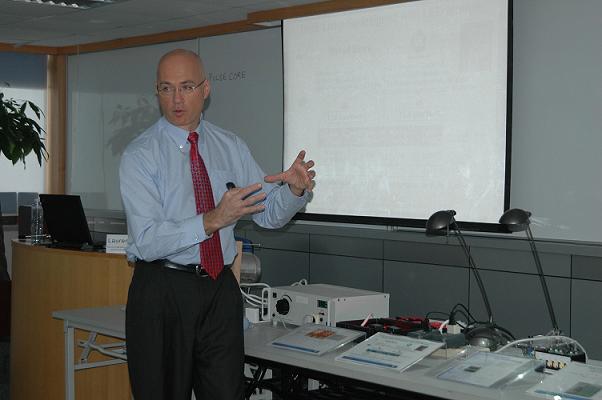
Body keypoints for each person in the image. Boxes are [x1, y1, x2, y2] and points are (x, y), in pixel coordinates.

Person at [119, 48, 315, 400]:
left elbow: (268, 214)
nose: (176, 99)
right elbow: (146, 240)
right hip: (162, 288)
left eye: (186, 87)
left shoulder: (230, 146)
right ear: (157, 91)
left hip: (219, 289)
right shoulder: (140, 154)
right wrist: (211, 220)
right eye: (166, 88)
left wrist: (294, 191)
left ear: (205, 90)